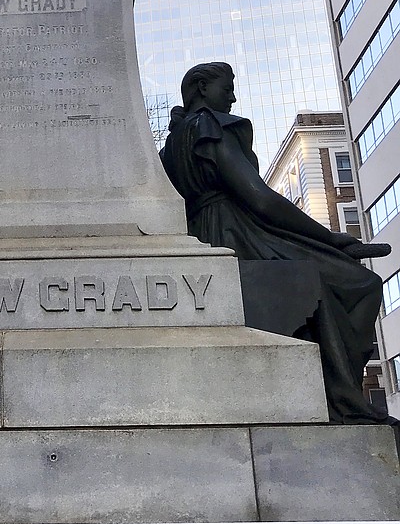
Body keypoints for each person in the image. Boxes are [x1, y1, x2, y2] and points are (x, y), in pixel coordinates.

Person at [160, 61, 393, 425]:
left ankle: (339, 397)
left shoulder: (171, 144)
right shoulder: (209, 126)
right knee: (360, 282)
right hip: (240, 233)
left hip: (204, 239)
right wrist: (329, 238)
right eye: (228, 87)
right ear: (203, 88)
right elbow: (261, 199)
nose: (233, 96)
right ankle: (345, 399)